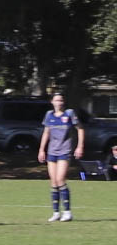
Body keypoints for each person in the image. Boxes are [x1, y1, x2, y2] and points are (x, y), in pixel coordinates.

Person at [38, 91, 84, 221]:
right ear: (52, 102)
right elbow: (46, 133)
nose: (59, 102)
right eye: (56, 100)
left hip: (65, 151)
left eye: (61, 100)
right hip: (52, 152)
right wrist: (42, 150)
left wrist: (80, 146)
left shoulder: (69, 113)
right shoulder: (49, 115)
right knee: (53, 182)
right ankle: (56, 213)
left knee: (60, 179)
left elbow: (80, 129)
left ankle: (67, 212)